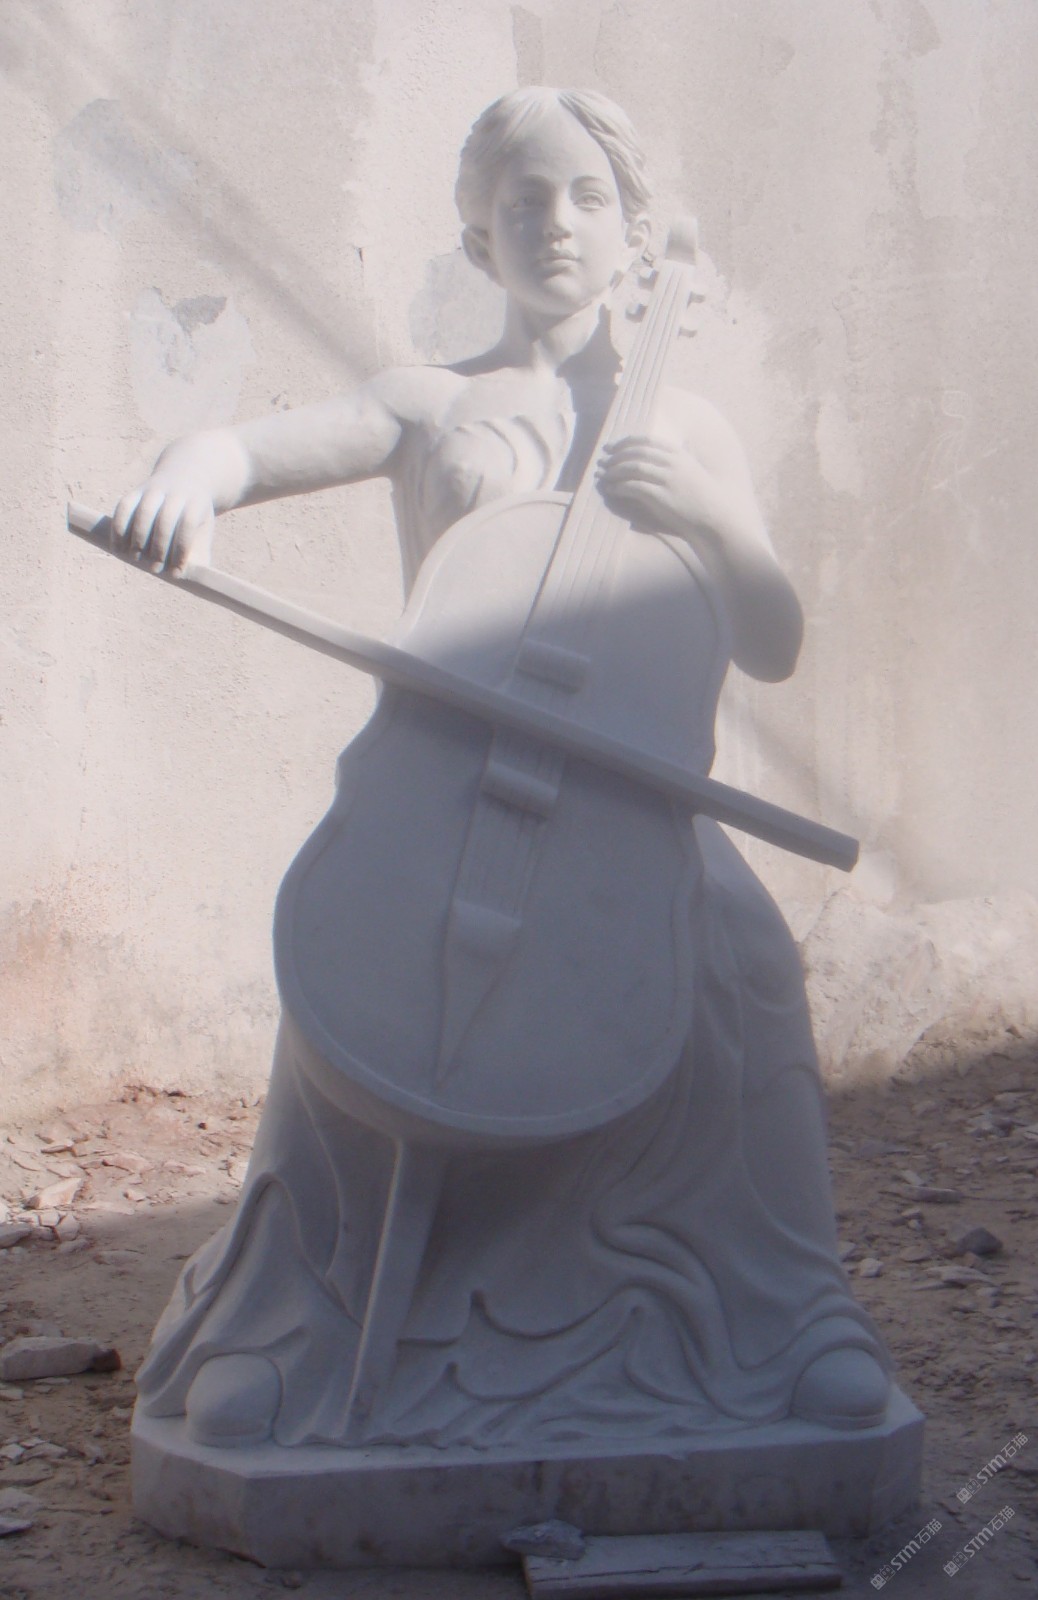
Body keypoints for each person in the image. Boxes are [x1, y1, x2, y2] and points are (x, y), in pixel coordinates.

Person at [123, 88, 890, 1450]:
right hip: (446, 792)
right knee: (358, 967)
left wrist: (711, 517)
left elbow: (771, 641)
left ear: (635, 235)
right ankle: (294, 1328)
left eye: (589, 197)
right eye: (522, 200)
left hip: (636, 796)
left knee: (741, 955)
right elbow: (249, 451)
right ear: (477, 236)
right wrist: (191, 465)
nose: (556, 223)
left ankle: (784, 1317)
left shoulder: (687, 427)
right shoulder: (435, 403)